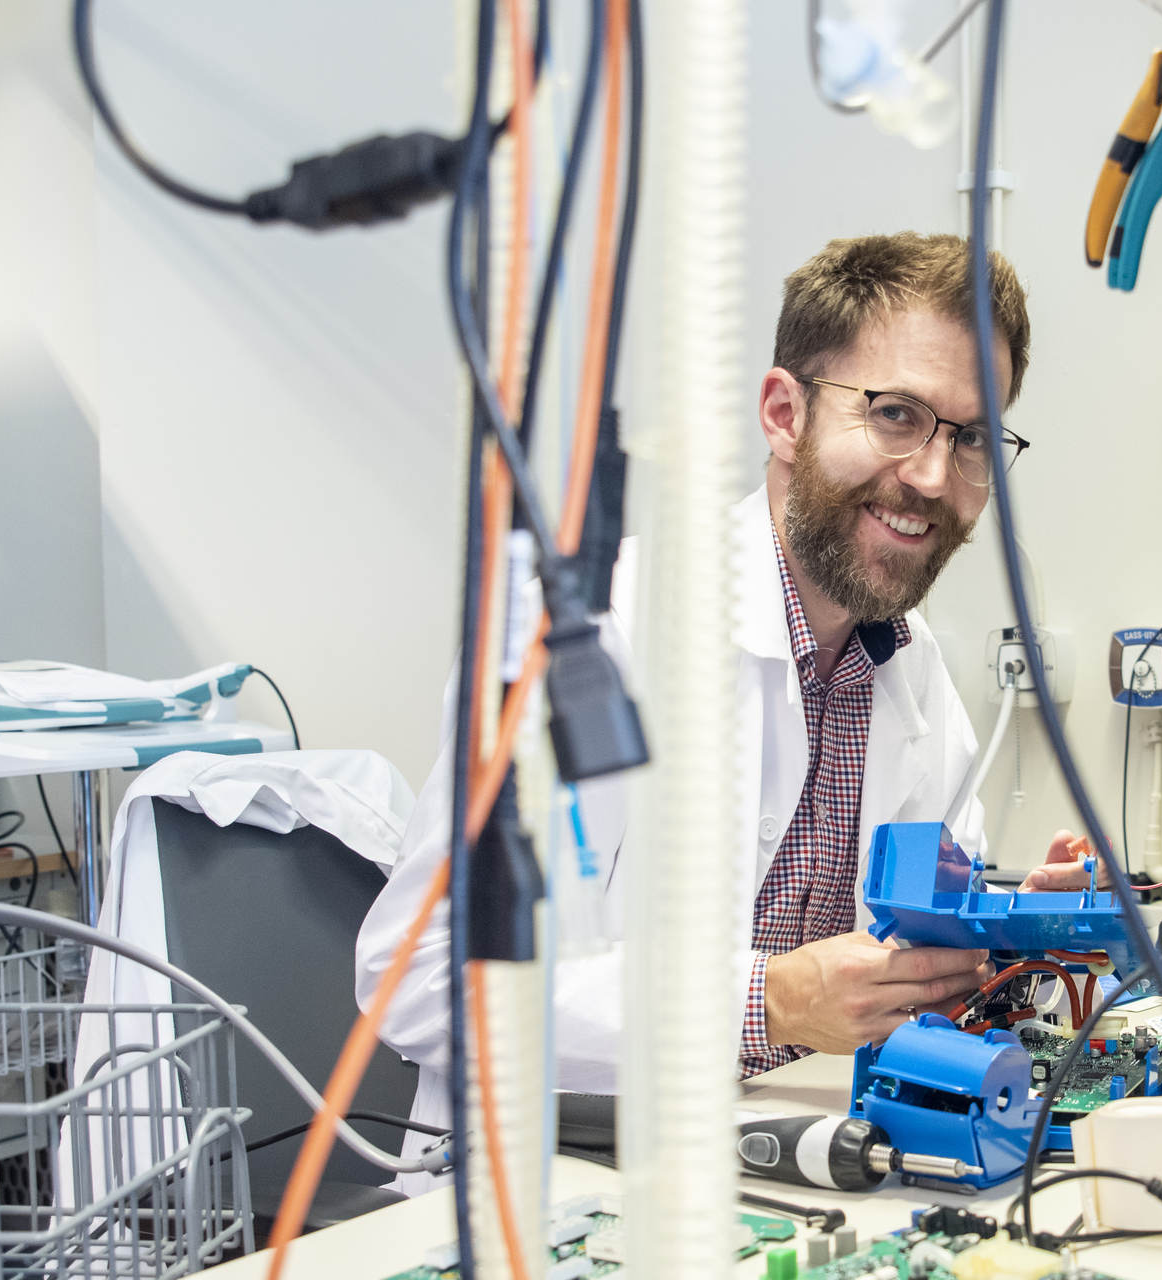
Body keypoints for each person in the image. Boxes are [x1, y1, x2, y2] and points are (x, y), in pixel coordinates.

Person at [356, 233, 1099, 1187]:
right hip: (555, 1187)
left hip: (796, 1173)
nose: (931, 477)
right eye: (898, 415)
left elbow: (902, 955)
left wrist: (1003, 933)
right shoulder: (592, 640)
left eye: (972, 439)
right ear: (784, 413)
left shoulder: (914, 678)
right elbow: (421, 983)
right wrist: (767, 1004)